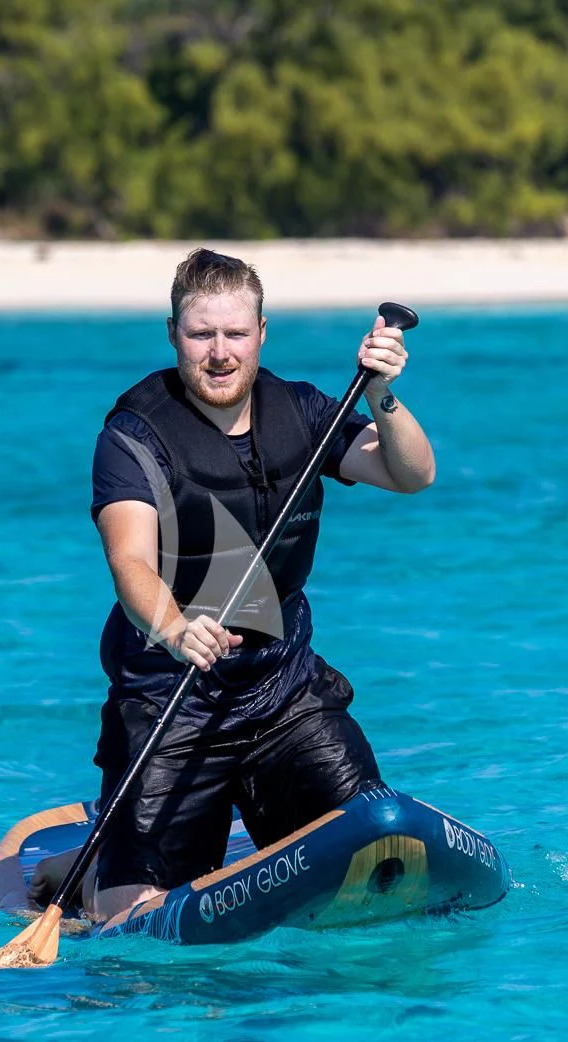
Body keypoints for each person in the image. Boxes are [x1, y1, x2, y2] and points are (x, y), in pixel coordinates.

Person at [70, 248, 436, 923]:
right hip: (169, 698)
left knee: (380, 852)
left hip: (283, 693)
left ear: (261, 333)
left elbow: (412, 473)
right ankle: (86, 866)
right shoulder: (133, 436)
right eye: (200, 334)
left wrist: (382, 395)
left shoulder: (301, 410)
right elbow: (130, 563)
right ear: (174, 334)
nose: (219, 353)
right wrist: (177, 628)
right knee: (131, 919)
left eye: (235, 334)